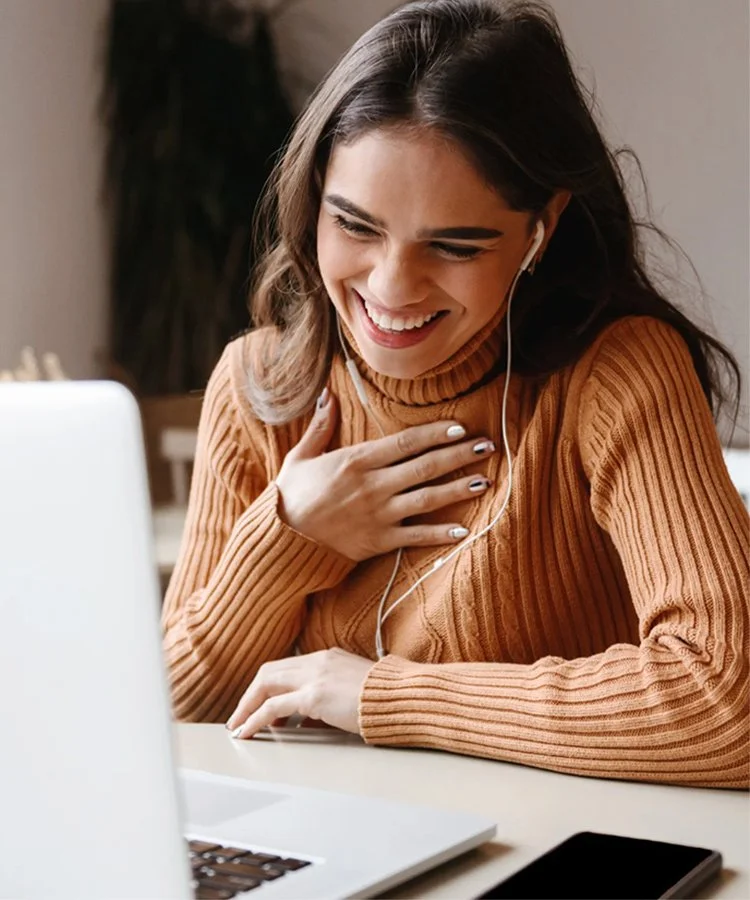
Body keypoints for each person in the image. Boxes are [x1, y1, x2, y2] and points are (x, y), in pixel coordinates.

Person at [162, 0, 749, 788]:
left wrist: (384, 696)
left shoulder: (618, 372)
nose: (391, 288)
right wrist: (290, 537)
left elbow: (725, 702)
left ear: (540, 230)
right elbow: (165, 710)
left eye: (453, 245)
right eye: (356, 226)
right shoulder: (259, 385)